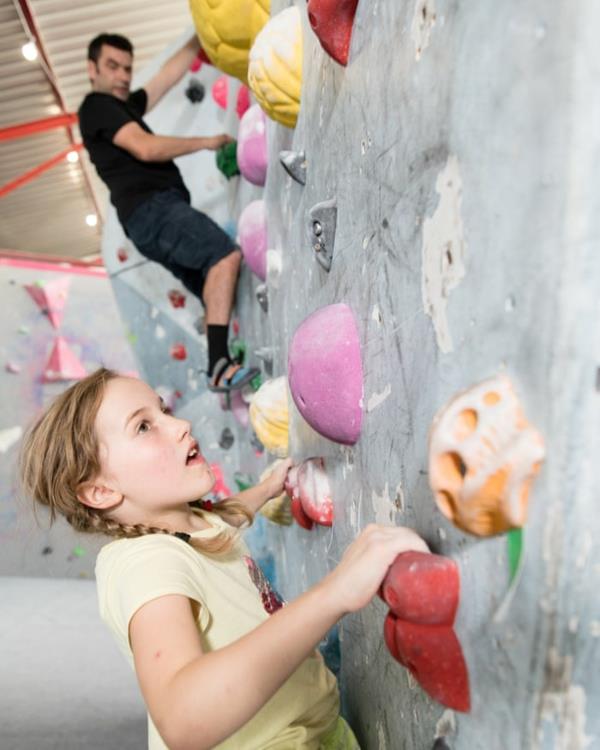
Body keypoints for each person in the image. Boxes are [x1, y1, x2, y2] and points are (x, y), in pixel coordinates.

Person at [20, 369, 428, 750]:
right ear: (100, 491)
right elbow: (182, 718)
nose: (180, 425)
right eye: (143, 427)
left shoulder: (182, 521)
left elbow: (219, 521)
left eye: (161, 410)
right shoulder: (145, 565)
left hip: (315, 729)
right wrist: (335, 592)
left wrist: (267, 490)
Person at [78, 33, 258, 394]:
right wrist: (207, 141)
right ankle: (219, 365)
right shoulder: (97, 107)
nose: (123, 76)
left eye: (127, 68)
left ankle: (227, 357)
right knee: (223, 256)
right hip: (152, 207)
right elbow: (145, 148)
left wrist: (200, 32)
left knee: (214, 282)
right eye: (112, 66)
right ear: (92, 69)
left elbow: (165, 77)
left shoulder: (123, 106)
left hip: (147, 219)